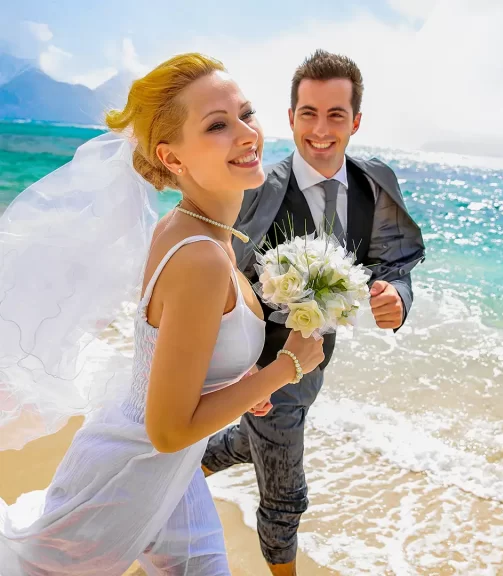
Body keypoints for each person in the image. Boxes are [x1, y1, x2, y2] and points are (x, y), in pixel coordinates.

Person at [0, 53, 324, 575]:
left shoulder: (189, 227)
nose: (246, 134)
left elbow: (175, 366)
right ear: (173, 160)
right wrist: (285, 370)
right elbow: (168, 429)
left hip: (169, 474)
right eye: (217, 125)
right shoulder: (200, 256)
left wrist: (242, 386)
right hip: (128, 480)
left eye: (246, 113)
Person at [201, 49, 425, 575]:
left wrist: (395, 296)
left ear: (356, 121)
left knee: (249, 441)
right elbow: (215, 278)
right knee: (285, 496)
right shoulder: (256, 188)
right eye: (309, 113)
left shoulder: (374, 182)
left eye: (335, 115)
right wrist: (235, 375)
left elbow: (393, 258)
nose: (320, 130)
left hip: (314, 365)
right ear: (291, 116)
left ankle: (174, 472)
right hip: (261, 368)